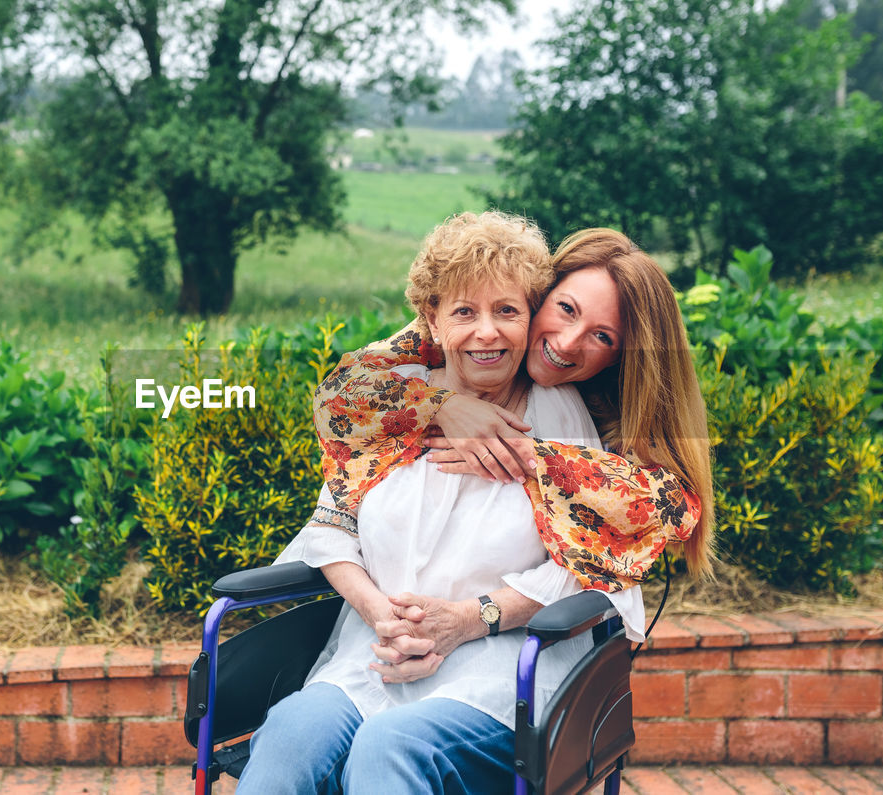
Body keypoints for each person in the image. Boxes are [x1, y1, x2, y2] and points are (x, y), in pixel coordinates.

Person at [235, 213, 647, 794]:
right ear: (431, 318)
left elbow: (589, 567)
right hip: (373, 655)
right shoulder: (394, 405)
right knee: (289, 734)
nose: (487, 333)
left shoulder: (558, 420)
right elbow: (330, 527)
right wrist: (379, 612)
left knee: (393, 745)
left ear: (529, 318)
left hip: (499, 672)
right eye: (464, 312)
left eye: (507, 311)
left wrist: (467, 620)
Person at [313, 227, 714, 593]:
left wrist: (531, 456)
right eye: (567, 309)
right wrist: (441, 406)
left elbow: (669, 505)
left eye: (602, 336)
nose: (568, 342)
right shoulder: (437, 341)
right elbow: (336, 394)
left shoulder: (602, 406)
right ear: (539, 297)